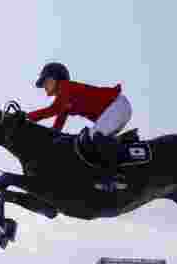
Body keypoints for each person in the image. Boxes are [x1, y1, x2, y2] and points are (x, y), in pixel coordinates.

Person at [28, 62, 132, 193]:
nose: (44, 86)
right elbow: (57, 126)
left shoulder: (65, 87)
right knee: (93, 139)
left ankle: (115, 177)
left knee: (94, 136)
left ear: (54, 78)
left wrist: (27, 117)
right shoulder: (65, 98)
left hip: (117, 106)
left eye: (45, 82)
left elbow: (52, 110)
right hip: (116, 109)